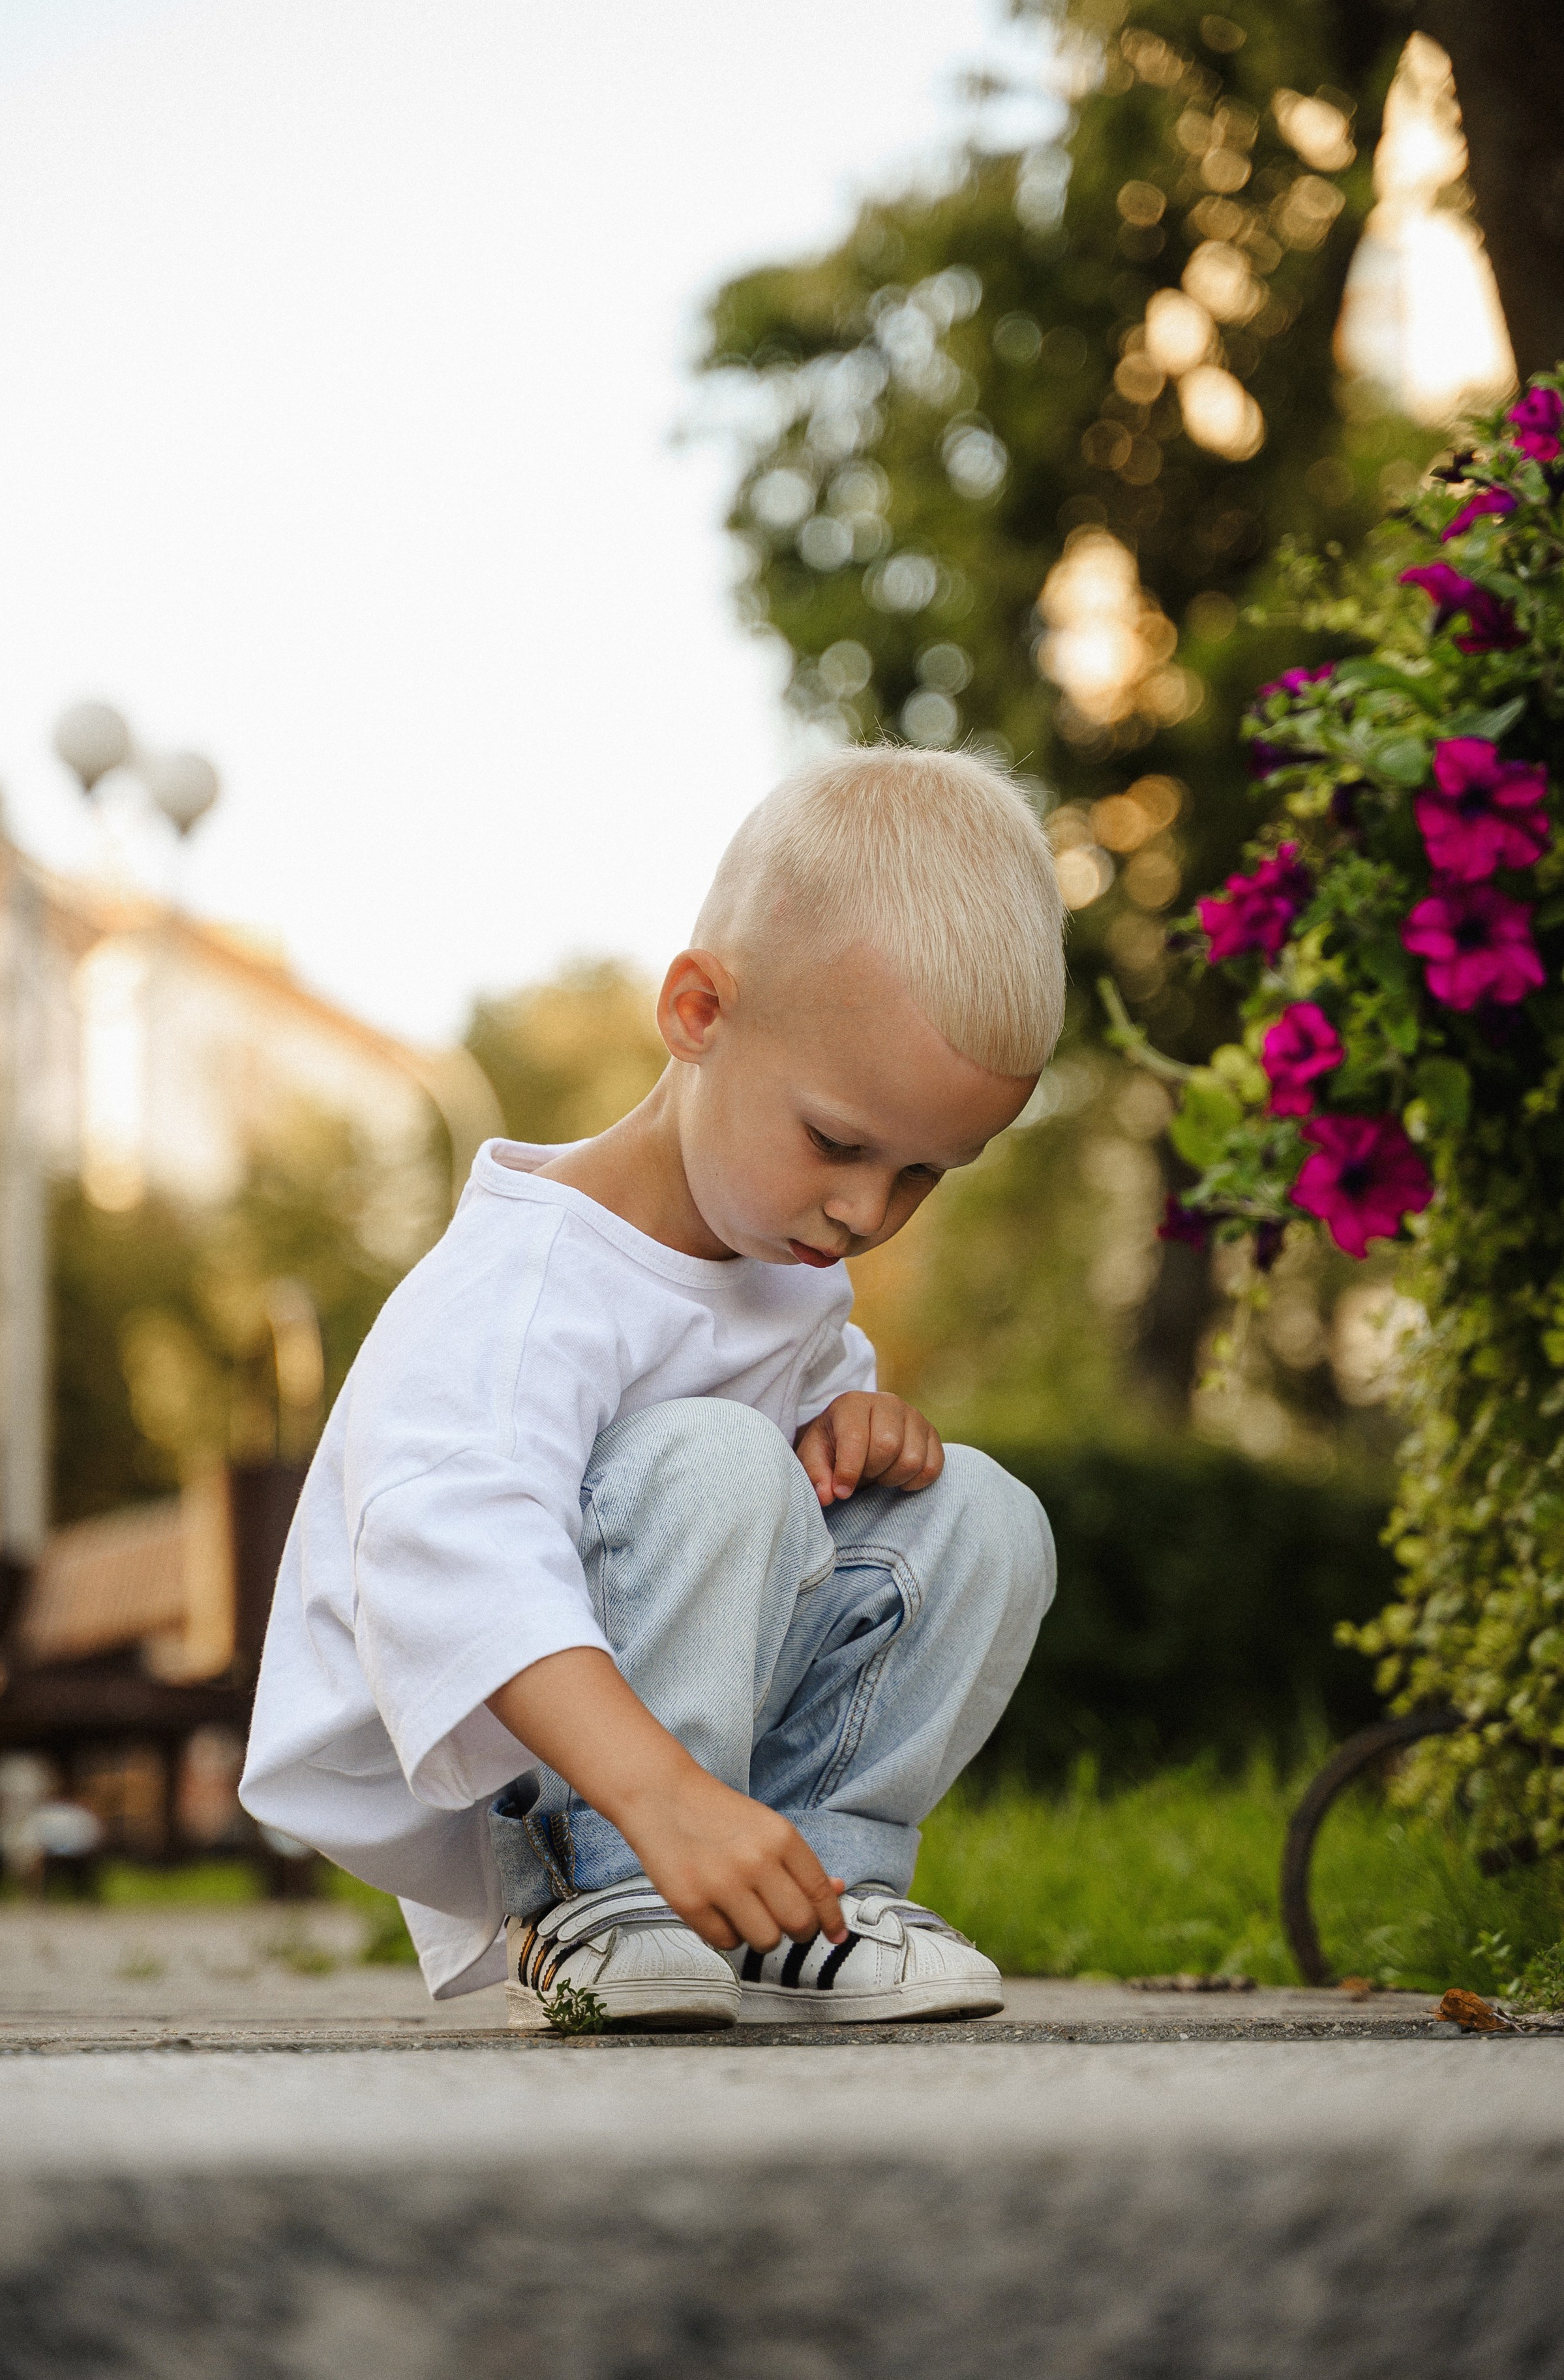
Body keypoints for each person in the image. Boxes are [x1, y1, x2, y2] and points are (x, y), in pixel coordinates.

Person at [241, 744, 1064, 2026]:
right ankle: (601, 1892)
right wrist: (658, 1796)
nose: (865, 1211)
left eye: (921, 1174)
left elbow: (791, 1520)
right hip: (537, 1757)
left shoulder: (782, 1259)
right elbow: (449, 1555)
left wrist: (844, 1427)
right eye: (839, 1143)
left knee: (987, 1508)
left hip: (696, 1735)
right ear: (696, 1013)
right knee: (711, 1455)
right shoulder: (525, 1282)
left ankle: (816, 1895)